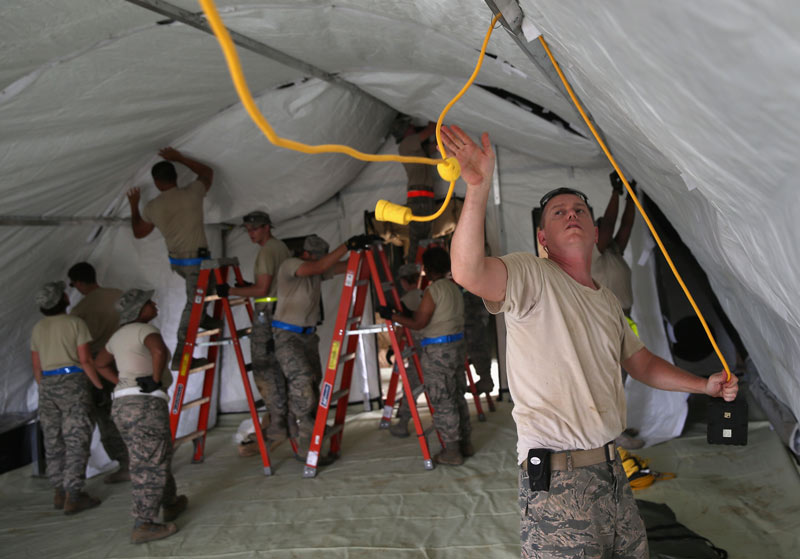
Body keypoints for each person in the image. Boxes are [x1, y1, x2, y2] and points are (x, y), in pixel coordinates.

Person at [442, 124, 739, 558]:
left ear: (596, 232)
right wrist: (478, 186)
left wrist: (703, 385)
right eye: (558, 212)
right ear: (542, 239)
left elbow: (640, 363)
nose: (571, 214)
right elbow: (468, 272)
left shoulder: (606, 303)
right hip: (559, 484)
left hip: (613, 470)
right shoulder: (531, 276)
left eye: (579, 209)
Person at [95, 289, 188, 544]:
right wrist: (154, 381)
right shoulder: (145, 331)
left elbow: (100, 363)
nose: (154, 305)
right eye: (149, 303)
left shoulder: (117, 336)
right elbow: (157, 352)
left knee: (153, 453)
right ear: (138, 309)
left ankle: (170, 501)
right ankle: (143, 523)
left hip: (123, 405)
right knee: (150, 460)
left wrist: (122, 383)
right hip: (145, 404)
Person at [272, 234, 365, 457]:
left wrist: (363, 252)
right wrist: (346, 244)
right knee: (302, 379)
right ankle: (306, 445)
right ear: (307, 254)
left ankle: (309, 428)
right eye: (319, 257)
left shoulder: (315, 269)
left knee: (313, 382)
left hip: (308, 337)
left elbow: (340, 266)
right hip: (287, 336)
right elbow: (320, 266)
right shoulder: (291, 265)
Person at [126, 147, 217, 370]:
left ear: (156, 183)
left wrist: (133, 205)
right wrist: (180, 158)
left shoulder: (153, 207)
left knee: (207, 291)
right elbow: (207, 172)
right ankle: (180, 356)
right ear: (175, 176)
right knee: (192, 307)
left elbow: (139, 232)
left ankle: (203, 318)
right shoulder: (192, 193)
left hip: (180, 263)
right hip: (197, 262)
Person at [379, 247, 472, 465]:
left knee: (443, 400)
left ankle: (451, 452)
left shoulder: (433, 290)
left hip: (438, 352)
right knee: (458, 396)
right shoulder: (453, 288)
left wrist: (392, 316)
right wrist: (403, 313)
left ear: (427, 270)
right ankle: (465, 443)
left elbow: (420, 323)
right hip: (457, 347)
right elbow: (430, 315)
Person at [30, 281, 108, 514]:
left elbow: (36, 366)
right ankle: (74, 495)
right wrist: (98, 386)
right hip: (73, 383)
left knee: (53, 441)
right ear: (61, 300)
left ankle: (59, 492)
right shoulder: (75, 323)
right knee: (76, 439)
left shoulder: (37, 328)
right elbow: (85, 360)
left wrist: (45, 389)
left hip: (47, 386)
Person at [218, 211, 292, 451]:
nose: (251, 233)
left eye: (255, 229)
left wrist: (229, 292)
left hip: (268, 313)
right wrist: (248, 288)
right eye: (248, 229)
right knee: (279, 367)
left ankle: (278, 424)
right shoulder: (280, 248)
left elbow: (262, 290)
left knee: (264, 369)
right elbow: (267, 286)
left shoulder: (268, 251)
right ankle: (283, 420)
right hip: (282, 311)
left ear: (267, 228)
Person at [67, 262, 130, 482]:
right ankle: (144, 458)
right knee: (132, 410)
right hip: (125, 359)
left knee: (107, 417)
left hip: (99, 365)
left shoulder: (80, 311)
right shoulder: (119, 295)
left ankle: (125, 464)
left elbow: (78, 347)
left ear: (79, 283)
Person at [385, 263, 424, 438]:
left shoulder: (406, 301)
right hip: (432, 344)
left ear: (402, 281)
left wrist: (392, 348)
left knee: (411, 386)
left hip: (418, 349)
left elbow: (402, 328)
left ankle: (403, 424)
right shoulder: (426, 294)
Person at [593, 171, 636, 316]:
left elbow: (626, 226)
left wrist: (631, 196)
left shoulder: (614, 252)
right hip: (613, 320)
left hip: (623, 319)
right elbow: (609, 224)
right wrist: (616, 192)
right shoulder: (592, 256)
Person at [398, 120, 437, 263]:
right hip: (419, 198)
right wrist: (432, 119)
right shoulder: (406, 144)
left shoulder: (416, 149)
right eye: (409, 126)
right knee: (419, 238)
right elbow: (430, 130)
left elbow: (435, 148)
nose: (413, 127)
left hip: (424, 198)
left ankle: (421, 270)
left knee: (425, 239)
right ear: (404, 132)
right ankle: (412, 272)